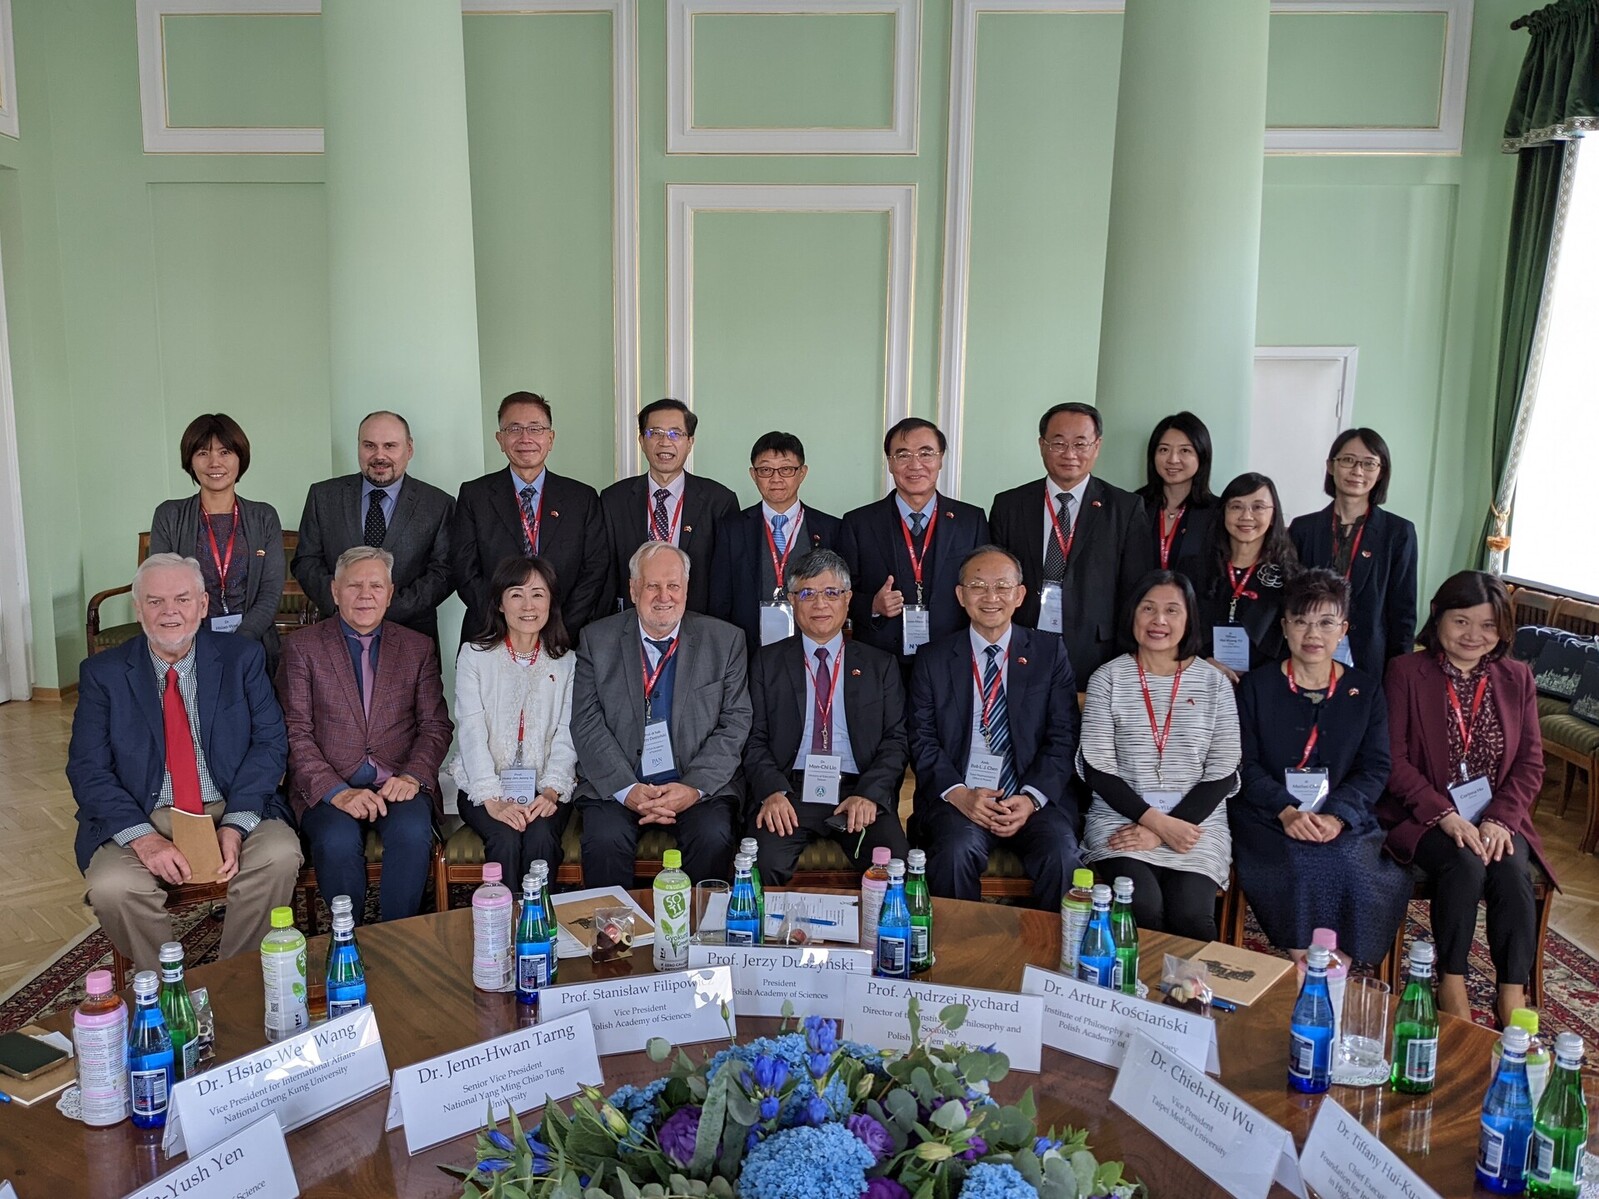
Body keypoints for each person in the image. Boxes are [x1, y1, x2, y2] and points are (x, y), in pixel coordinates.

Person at [68, 554, 302, 975]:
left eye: (181, 598)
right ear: (137, 609)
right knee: (112, 886)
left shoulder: (242, 658)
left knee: (280, 854)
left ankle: (231, 980)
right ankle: (165, 987)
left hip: (229, 802)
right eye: (155, 602)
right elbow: (88, 768)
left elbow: (270, 744)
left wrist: (237, 824)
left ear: (203, 604)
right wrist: (144, 839)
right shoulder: (103, 673)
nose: (170, 612)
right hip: (144, 812)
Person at [1377, 570, 1551, 1025]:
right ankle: (1451, 981)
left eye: (1489, 625)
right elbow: (1393, 760)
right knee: (1465, 863)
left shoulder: (1517, 678)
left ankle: (1511, 992)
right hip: (1426, 814)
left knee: (1512, 871)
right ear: (1438, 619)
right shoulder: (1406, 672)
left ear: (1503, 631)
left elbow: (1530, 763)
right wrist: (1444, 815)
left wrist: (1500, 818)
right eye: (1462, 622)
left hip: (1497, 815)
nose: (1474, 635)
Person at [1232, 568, 1409, 964]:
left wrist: (1338, 817)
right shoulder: (1257, 686)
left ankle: (1338, 965)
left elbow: (1375, 767)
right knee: (1298, 861)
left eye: (1326, 623)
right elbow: (1244, 763)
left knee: (1350, 863)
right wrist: (1287, 810)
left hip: (1344, 816)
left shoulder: (1364, 691)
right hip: (1269, 815)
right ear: (1285, 627)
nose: (1313, 634)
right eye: (1301, 622)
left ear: (1343, 630)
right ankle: (1305, 961)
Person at [277, 546, 453, 923]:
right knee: (336, 841)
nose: (365, 594)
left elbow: (435, 726)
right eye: (354, 585)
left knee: (411, 833)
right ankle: (348, 941)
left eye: (376, 585)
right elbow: (295, 732)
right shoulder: (301, 648)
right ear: (334, 591)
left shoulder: (417, 647)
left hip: (398, 783)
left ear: (390, 594)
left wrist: (412, 776)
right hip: (329, 788)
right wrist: (336, 791)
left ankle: (398, 937)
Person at [908, 546, 1080, 909]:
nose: (991, 597)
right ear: (960, 595)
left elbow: (1063, 737)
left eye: (1002, 587)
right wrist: (959, 794)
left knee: (1062, 855)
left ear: (1020, 595)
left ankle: (1053, 960)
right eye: (978, 586)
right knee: (954, 851)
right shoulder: (932, 658)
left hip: (1030, 796)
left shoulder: (1049, 653)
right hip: (959, 797)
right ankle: (956, 960)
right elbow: (921, 739)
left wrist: (1032, 798)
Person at [571, 543, 749, 888]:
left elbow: (736, 721)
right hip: (618, 783)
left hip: (697, 784)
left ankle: (698, 934)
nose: (663, 596)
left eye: (673, 586)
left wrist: (692, 787)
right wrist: (627, 788)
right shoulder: (597, 639)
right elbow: (586, 720)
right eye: (652, 586)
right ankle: (614, 938)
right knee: (604, 840)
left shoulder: (725, 640)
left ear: (686, 589)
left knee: (713, 835)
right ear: (634, 589)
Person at [1077, 571, 1240, 940]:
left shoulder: (1214, 683)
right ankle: (1125, 994)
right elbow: (1097, 768)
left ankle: (1188, 998)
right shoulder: (1108, 678)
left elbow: (1223, 771)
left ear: (1189, 619)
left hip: (1197, 825)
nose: (1159, 621)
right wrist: (1158, 824)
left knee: (1192, 917)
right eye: (1148, 608)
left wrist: (1167, 829)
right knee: (1141, 905)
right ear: (1132, 614)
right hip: (1119, 819)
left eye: (1172, 610)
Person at [744, 550, 909, 884]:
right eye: (807, 593)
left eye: (831, 593)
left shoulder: (880, 665)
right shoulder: (766, 662)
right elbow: (753, 738)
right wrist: (772, 791)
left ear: (848, 599)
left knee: (896, 871)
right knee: (759, 867)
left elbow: (897, 740)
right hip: (790, 790)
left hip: (857, 790)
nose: (820, 604)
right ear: (792, 600)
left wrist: (870, 793)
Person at [988, 403, 1150, 683]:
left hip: (1095, 652)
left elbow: (1134, 590)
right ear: (1042, 445)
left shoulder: (1125, 508)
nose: (1069, 454)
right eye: (1058, 443)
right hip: (1021, 643)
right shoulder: (1010, 505)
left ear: (1097, 446)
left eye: (1080, 443)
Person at [449, 554, 578, 888]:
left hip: (546, 786)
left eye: (538, 594)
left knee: (540, 838)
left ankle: (540, 926)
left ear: (551, 602)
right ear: (500, 603)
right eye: (516, 594)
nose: (528, 605)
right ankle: (502, 929)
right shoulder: (474, 657)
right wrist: (491, 798)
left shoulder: (566, 662)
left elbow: (567, 734)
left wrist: (551, 792)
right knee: (505, 837)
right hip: (483, 784)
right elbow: (472, 731)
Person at [452, 391, 611, 641]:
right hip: (490, 634)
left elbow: (594, 570)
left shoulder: (582, 498)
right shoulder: (475, 495)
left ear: (550, 438)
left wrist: (560, 628)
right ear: (500, 439)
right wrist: (507, 626)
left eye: (535, 429)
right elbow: (465, 571)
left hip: (564, 636)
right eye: (514, 429)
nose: (525, 438)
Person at [840, 418, 989, 675]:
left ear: (941, 459)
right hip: (880, 661)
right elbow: (839, 592)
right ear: (889, 462)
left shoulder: (971, 520)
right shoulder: (859, 522)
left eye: (926, 453)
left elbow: (985, 585)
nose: (915, 464)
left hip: (953, 658)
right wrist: (872, 606)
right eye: (902, 455)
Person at [292, 410, 455, 643]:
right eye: (369, 446)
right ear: (358, 447)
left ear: (409, 449)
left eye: (390, 446)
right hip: (336, 635)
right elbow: (306, 561)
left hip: (411, 638)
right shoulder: (323, 496)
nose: (380, 456)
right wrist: (345, 606)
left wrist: (384, 609)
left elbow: (444, 572)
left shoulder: (438, 504)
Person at [148, 413, 286, 673]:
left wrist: (240, 640)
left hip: (252, 644)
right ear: (190, 460)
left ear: (240, 458)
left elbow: (270, 592)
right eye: (203, 453)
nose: (214, 463)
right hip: (186, 645)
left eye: (225, 452)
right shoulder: (169, 515)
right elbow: (164, 588)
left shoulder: (264, 516)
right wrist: (200, 643)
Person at [1289, 428, 1419, 675]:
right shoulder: (1303, 528)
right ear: (1330, 466)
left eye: (1369, 464)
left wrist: (1399, 673)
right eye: (1348, 460)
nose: (1357, 471)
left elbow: (1403, 611)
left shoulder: (1398, 532)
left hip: (1368, 659)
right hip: (1308, 650)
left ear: (1381, 472)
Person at [599, 398, 739, 616]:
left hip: (698, 624)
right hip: (631, 624)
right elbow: (605, 573)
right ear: (641, 441)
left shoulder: (719, 501)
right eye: (654, 433)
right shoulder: (613, 499)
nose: (665, 442)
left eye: (675, 434)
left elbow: (726, 579)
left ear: (690, 442)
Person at [714, 431, 841, 654]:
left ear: (802, 473)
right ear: (753, 474)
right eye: (765, 470)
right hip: (749, 651)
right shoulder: (732, 528)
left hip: (812, 649)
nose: (776, 478)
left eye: (786, 469)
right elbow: (720, 598)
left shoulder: (831, 529)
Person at [1182, 472, 1297, 684]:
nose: (1246, 516)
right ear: (1223, 512)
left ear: (1273, 515)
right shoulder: (1192, 569)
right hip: (1199, 681)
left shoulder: (1290, 578)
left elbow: (1294, 644)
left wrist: (1258, 679)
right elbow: (1178, 632)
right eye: (1236, 506)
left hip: (1265, 689)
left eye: (1258, 507)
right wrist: (1201, 663)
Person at [1134, 412, 1219, 573]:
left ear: (1202, 455)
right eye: (1164, 449)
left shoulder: (1217, 512)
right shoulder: (1134, 505)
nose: (1172, 459)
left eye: (1185, 451)